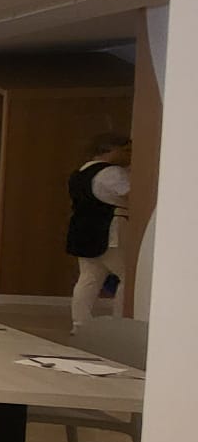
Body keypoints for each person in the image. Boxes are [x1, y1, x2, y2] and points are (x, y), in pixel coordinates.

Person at [67, 131, 131, 330]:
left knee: (88, 278)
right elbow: (131, 194)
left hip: (84, 230)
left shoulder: (80, 173)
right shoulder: (112, 173)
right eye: (125, 150)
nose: (129, 155)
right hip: (109, 228)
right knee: (128, 277)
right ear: (109, 149)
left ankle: (80, 324)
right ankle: (120, 324)